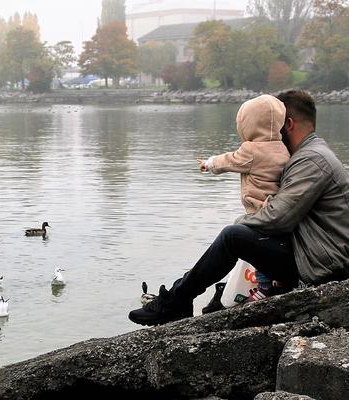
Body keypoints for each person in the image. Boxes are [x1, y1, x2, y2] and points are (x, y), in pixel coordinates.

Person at [129, 90, 349, 326]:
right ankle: (181, 298)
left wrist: (241, 223)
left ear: (288, 124)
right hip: (314, 254)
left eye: (275, 129)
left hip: (323, 265)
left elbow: (278, 218)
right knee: (241, 235)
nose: (272, 136)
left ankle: (176, 301)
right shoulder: (308, 155)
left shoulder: (312, 159)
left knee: (233, 236)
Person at [197, 94, 290, 303]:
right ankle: (276, 281)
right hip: (277, 210)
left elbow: (230, 161)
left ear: (247, 124)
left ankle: (265, 287)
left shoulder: (251, 150)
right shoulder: (283, 148)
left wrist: (209, 163)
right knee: (267, 247)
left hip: (259, 211)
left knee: (254, 248)